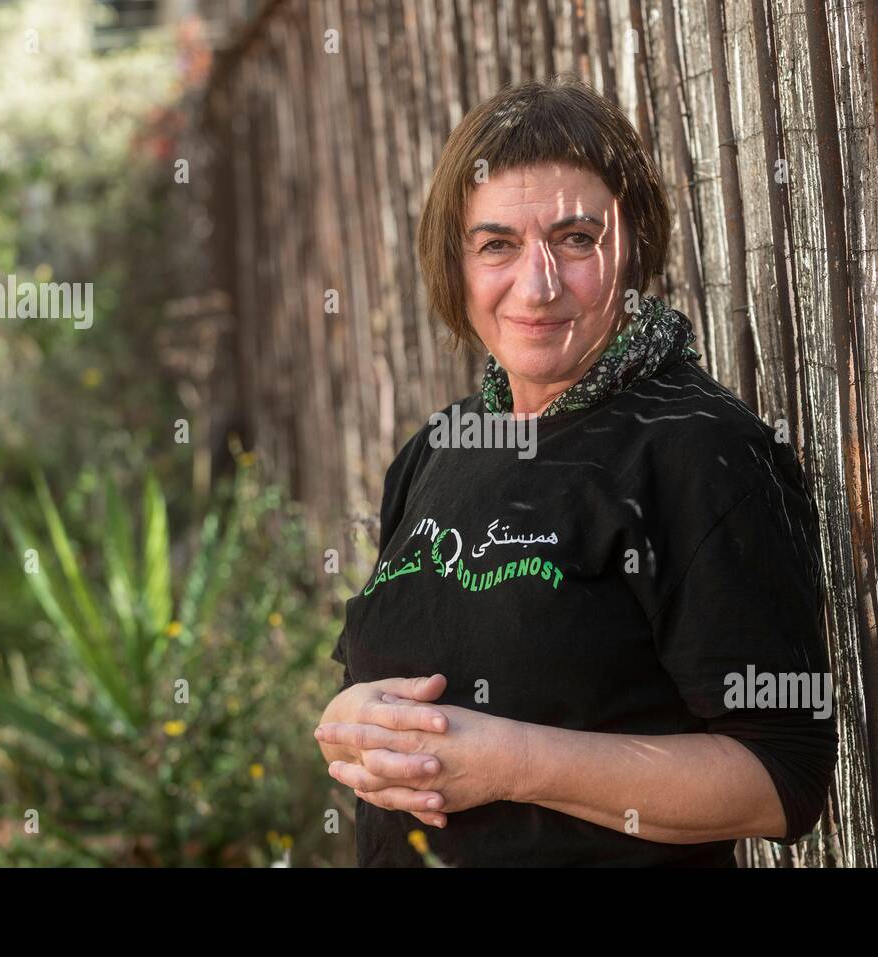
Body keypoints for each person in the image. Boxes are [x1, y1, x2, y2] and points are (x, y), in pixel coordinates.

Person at [313, 74, 837, 867]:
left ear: (634, 249)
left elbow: (781, 780)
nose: (537, 284)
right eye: (497, 244)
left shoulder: (701, 452)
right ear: (455, 265)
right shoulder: (437, 449)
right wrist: (351, 722)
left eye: (576, 239)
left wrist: (512, 762)